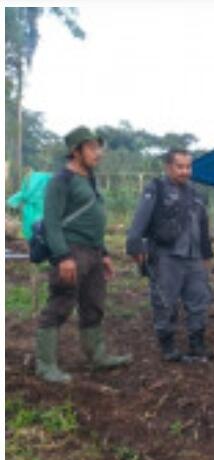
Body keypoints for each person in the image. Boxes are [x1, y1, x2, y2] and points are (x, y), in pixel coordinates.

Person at [34, 126, 132, 383]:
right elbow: (52, 223)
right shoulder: (61, 181)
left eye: (98, 147)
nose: (97, 153)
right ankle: (45, 365)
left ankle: (97, 356)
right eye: (91, 148)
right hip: (71, 251)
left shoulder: (89, 178)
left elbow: (93, 220)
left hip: (93, 252)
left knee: (94, 303)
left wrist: (105, 253)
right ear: (75, 151)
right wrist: (62, 257)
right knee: (61, 303)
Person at [126, 149, 214, 362]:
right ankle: (168, 345)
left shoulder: (196, 193)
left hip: (193, 257)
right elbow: (140, 219)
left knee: (199, 301)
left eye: (188, 167)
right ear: (168, 167)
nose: (185, 171)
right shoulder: (156, 188)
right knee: (165, 302)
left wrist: (206, 254)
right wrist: (135, 246)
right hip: (167, 255)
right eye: (180, 166)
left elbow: (202, 226)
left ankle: (197, 343)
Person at [7, 167, 52, 241]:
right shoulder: (48, 179)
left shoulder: (29, 185)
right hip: (45, 225)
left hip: (31, 226)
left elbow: (12, 201)